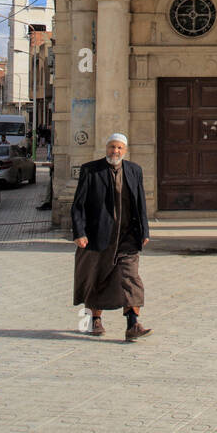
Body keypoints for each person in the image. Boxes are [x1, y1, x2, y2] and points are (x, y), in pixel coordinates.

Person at [71, 134, 151, 341]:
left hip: (127, 237)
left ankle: (132, 323)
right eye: (112, 147)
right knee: (96, 277)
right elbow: (78, 205)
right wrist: (79, 233)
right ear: (106, 148)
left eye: (119, 148)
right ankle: (95, 320)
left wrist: (144, 232)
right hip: (97, 236)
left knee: (130, 278)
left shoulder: (134, 171)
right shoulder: (91, 170)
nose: (115, 151)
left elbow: (140, 203)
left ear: (125, 150)